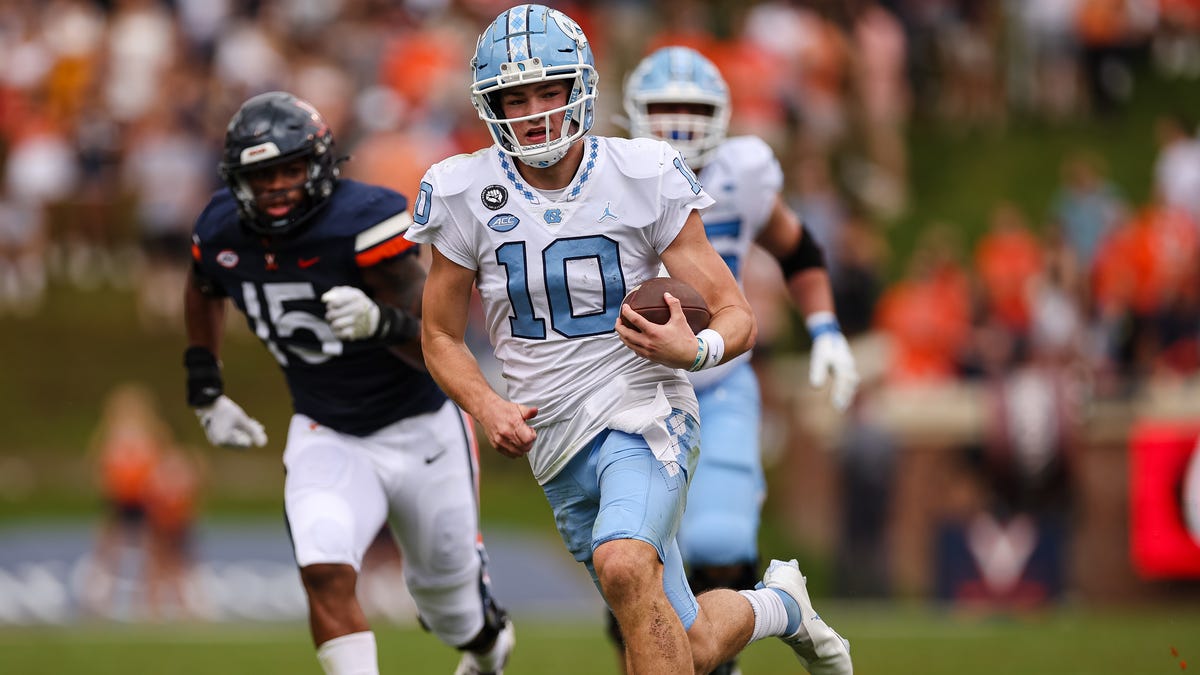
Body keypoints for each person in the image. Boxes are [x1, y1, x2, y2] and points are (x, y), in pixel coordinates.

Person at [405, 6, 853, 674]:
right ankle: (781, 605)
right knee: (688, 640)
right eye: (515, 97)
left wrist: (692, 350)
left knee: (622, 562)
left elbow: (737, 312)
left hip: (643, 410)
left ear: (579, 87)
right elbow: (439, 334)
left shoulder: (643, 172)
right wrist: (486, 404)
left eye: (549, 90)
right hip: (554, 440)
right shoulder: (464, 190)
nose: (534, 111)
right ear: (490, 105)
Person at [183, 91, 514, 675]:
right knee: (324, 568)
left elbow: (440, 340)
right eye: (263, 175)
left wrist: (380, 322)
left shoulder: (363, 221)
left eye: (290, 169)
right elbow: (204, 286)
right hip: (326, 428)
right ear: (239, 180)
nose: (279, 186)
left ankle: (489, 649)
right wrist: (204, 382)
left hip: (421, 426)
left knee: (450, 612)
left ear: (319, 167)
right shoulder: (220, 230)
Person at [614, 45, 861, 675]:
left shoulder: (742, 172)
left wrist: (826, 327)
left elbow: (797, 247)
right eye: (663, 108)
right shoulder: (605, 174)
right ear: (632, 113)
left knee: (721, 542)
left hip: (719, 380)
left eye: (691, 109)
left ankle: (727, 654)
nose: (677, 124)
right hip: (630, 388)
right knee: (629, 564)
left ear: (721, 115)